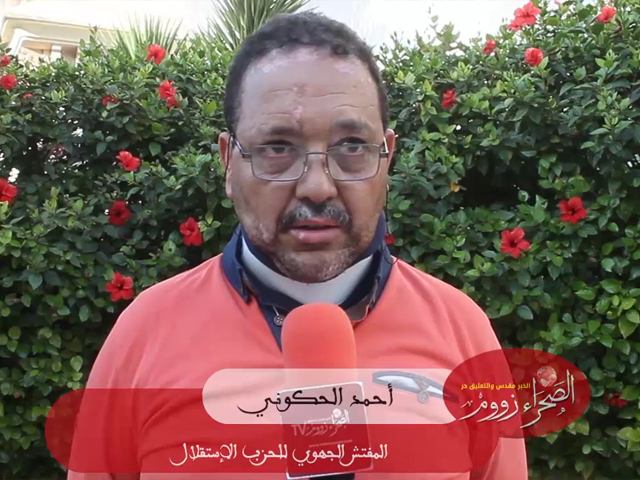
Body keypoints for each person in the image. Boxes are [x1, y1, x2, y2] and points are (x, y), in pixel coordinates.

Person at [67, 11, 528, 480]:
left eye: (352, 146)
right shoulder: (145, 333)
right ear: (229, 163)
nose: (317, 187)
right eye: (277, 147)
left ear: (386, 158)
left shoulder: (461, 331)